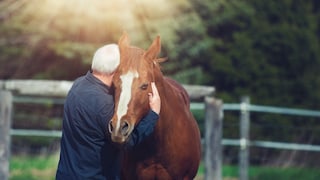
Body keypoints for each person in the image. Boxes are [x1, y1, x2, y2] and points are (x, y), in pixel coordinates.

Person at [56, 44, 161, 180]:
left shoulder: (78, 85)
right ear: (117, 69)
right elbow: (127, 142)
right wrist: (153, 114)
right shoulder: (104, 105)